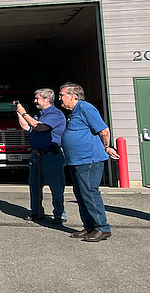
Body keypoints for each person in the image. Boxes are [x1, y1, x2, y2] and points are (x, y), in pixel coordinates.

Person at [59, 82, 120, 242]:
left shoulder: (86, 108)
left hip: (89, 159)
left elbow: (104, 130)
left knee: (89, 192)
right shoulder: (74, 112)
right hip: (76, 160)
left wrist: (107, 146)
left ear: (73, 96)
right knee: (80, 193)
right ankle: (89, 227)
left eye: (62, 95)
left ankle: (102, 228)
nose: (60, 98)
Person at [15, 88, 67, 224]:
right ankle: (37, 212)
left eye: (37, 98)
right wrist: (19, 112)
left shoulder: (56, 114)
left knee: (56, 186)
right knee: (35, 185)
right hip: (36, 156)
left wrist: (24, 113)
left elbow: (39, 127)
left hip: (51, 155)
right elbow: (27, 126)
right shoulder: (39, 114)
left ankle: (59, 214)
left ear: (47, 99)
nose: (35, 101)